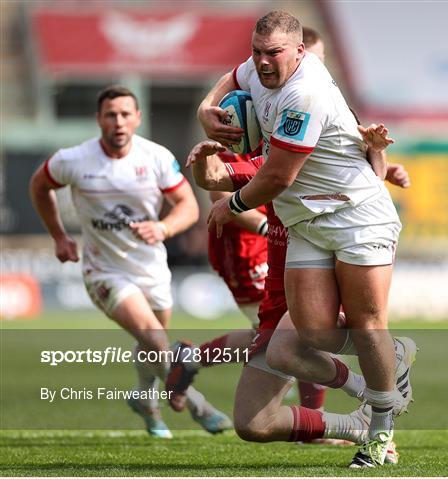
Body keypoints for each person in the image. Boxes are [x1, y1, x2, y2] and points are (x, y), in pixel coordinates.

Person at [196, 11, 406, 467]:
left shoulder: (303, 94)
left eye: (273, 53)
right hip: (305, 223)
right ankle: (385, 365)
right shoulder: (255, 68)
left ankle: (380, 427)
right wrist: (204, 109)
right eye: (257, 52)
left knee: (369, 325)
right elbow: (230, 78)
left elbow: (276, 176)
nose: (263, 63)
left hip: (355, 217)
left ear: (299, 52)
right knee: (312, 332)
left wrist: (227, 206)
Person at [29, 85, 232, 439]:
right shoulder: (74, 160)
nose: (118, 122)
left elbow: (189, 206)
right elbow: (39, 185)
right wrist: (59, 235)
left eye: (125, 114)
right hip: (103, 271)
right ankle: (198, 405)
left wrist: (163, 227)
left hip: (151, 268)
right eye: (111, 115)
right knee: (155, 339)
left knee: (153, 345)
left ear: (137, 118)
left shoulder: (154, 158)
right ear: (99, 120)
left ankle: (144, 400)